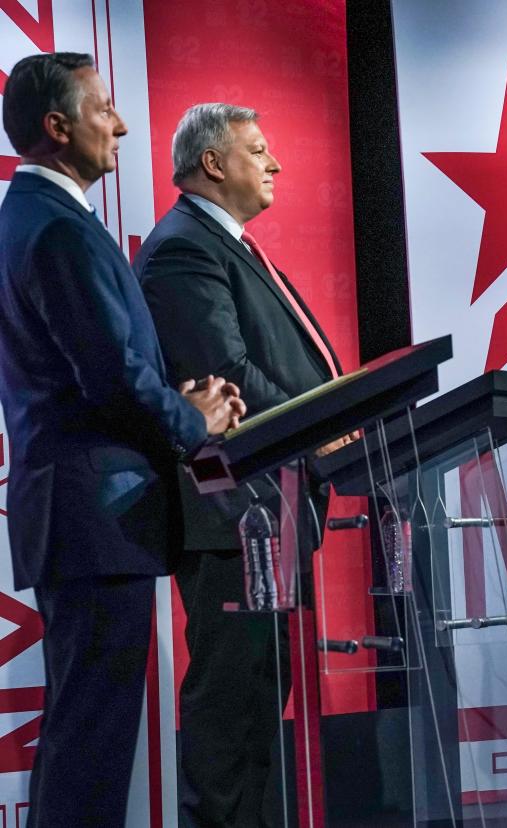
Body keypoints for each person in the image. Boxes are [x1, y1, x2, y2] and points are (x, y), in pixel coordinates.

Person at [0, 53, 243, 827]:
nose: (123, 124)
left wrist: (171, 403)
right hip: (98, 518)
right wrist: (191, 418)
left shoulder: (31, 219)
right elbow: (108, 375)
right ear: (57, 126)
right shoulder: (56, 229)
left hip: (84, 516)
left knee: (84, 735)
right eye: (105, 108)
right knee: (90, 741)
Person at [134, 103, 345, 827]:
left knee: (261, 698)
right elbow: (224, 370)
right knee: (231, 702)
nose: (276, 163)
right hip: (230, 509)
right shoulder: (184, 247)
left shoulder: (229, 245)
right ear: (214, 164)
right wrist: (321, 426)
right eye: (258, 149)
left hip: (268, 504)